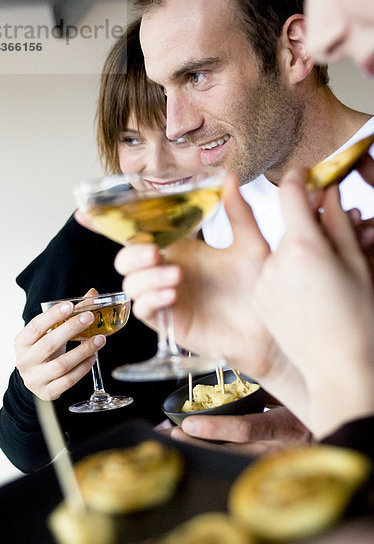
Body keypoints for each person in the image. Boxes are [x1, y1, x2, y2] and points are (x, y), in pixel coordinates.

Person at [115, 0, 374, 448]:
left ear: (294, 51)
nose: (175, 126)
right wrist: (271, 365)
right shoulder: (220, 208)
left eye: (197, 76)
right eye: (164, 89)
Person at [0, 19, 203, 474]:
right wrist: (31, 390)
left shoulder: (250, 225)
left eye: (177, 138)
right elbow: (24, 453)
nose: (156, 165)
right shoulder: (75, 257)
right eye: (131, 139)